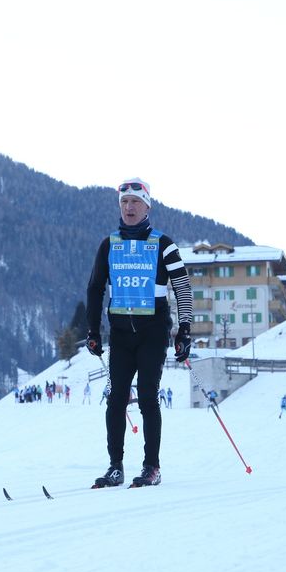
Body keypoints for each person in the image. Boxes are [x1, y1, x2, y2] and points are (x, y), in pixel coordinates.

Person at [86, 177, 193, 488]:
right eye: (124, 202)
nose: (129, 207)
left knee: (147, 397)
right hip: (120, 332)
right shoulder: (109, 245)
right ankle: (115, 466)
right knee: (116, 398)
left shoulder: (163, 244)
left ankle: (151, 467)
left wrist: (184, 330)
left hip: (152, 331)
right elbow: (95, 288)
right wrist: (93, 330)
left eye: (135, 202)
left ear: (147, 206)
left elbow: (182, 288)